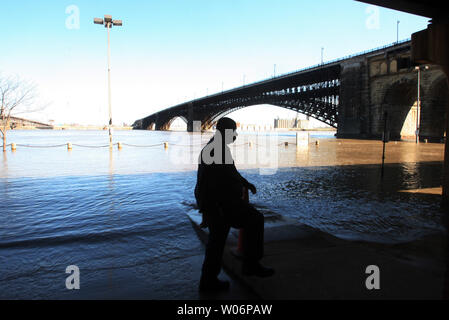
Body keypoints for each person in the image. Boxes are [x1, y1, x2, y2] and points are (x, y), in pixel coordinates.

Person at [194, 117, 274, 292]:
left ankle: (208, 282)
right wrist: (212, 210)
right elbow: (208, 184)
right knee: (255, 219)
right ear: (225, 131)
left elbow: (231, 173)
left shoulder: (217, 147)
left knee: (216, 244)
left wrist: (245, 183)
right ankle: (250, 265)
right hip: (221, 206)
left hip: (220, 205)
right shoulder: (217, 150)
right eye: (233, 131)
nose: (236, 134)